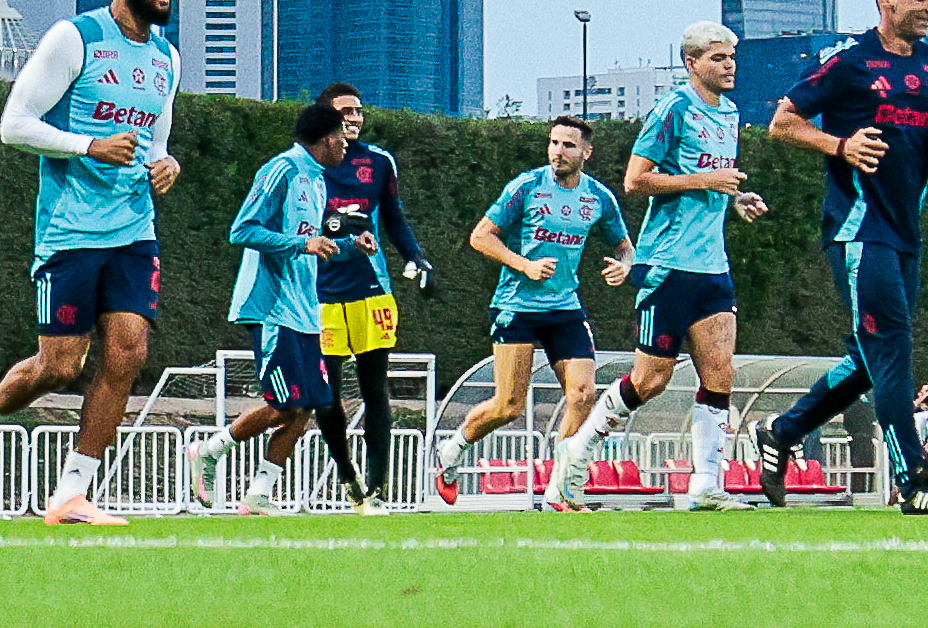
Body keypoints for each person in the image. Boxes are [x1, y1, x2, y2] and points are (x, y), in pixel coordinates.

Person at [754, 0, 928, 515]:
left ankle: (782, 431)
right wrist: (840, 146)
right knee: (894, 348)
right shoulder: (849, 63)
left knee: (870, 356)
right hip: (858, 229)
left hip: (906, 232)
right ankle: (914, 481)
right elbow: (783, 122)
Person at [0, 0, 181, 526]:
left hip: (134, 229)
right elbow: (14, 125)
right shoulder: (74, 37)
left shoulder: (166, 58)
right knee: (58, 367)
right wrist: (88, 145)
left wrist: (167, 163)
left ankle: (72, 495)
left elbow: (157, 140)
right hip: (71, 230)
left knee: (128, 354)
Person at [551, 23, 769, 512]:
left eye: (731, 56)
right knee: (651, 381)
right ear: (691, 63)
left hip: (712, 266)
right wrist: (707, 178)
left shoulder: (730, 113)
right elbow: (636, 180)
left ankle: (706, 485)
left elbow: (716, 182)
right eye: (717, 58)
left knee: (721, 374)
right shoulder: (673, 109)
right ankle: (577, 450)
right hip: (668, 264)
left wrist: (736, 197)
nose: (729, 65)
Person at [434, 116, 632, 512]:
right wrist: (523, 264)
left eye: (568, 145)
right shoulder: (525, 186)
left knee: (583, 394)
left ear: (586, 153)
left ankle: (559, 487)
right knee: (509, 406)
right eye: (554, 142)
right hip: (517, 306)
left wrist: (625, 265)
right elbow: (480, 236)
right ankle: (451, 450)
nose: (558, 151)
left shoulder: (598, 197)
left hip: (565, 308)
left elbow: (626, 246)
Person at [188, 104, 373, 515]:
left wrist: (348, 248)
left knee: (307, 404)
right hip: (272, 307)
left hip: (305, 311)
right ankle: (208, 451)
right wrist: (302, 244)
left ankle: (259, 496)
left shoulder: (319, 181)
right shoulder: (283, 169)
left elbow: (312, 246)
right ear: (328, 138)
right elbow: (243, 230)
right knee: (283, 404)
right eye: (343, 137)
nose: (347, 145)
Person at [311, 82, 431, 514]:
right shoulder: (306, 165)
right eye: (346, 111)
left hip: (372, 291)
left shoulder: (379, 162)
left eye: (359, 111)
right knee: (326, 396)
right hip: (319, 293)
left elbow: (395, 220)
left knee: (375, 389)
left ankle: (376, 489)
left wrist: (418, 256)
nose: (355, 118)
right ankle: (347, 476)